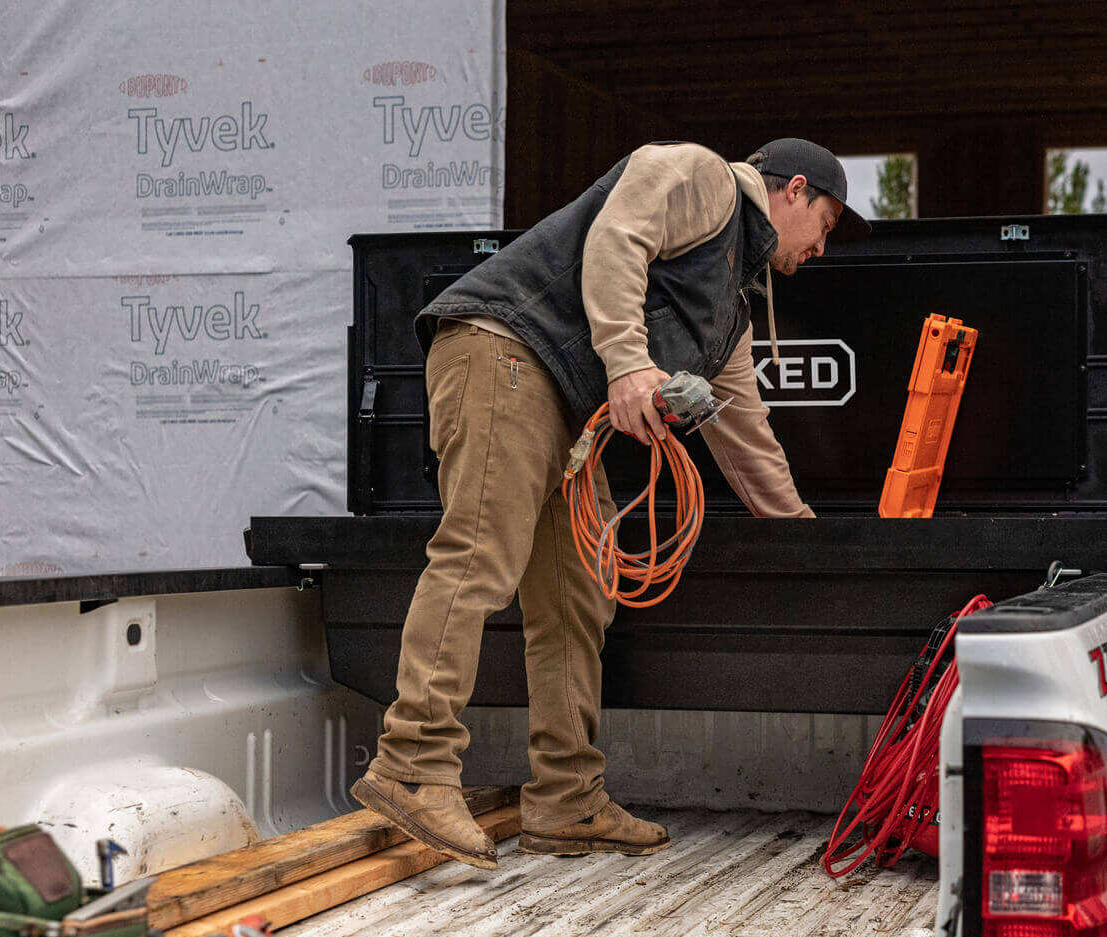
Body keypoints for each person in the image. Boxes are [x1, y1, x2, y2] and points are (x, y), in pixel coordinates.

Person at [350, 138, 871, 868]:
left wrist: (808, 542)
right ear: (795, 190)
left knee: (578, 598)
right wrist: (629, 365)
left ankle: (565, 802)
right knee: (481, 555)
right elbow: (616, 240)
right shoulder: (701, 175)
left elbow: (749, 442)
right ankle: (412, 764)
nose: (823, 245)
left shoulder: (729, 313)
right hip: (503, 350)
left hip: (557, 397)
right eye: (828, 222)